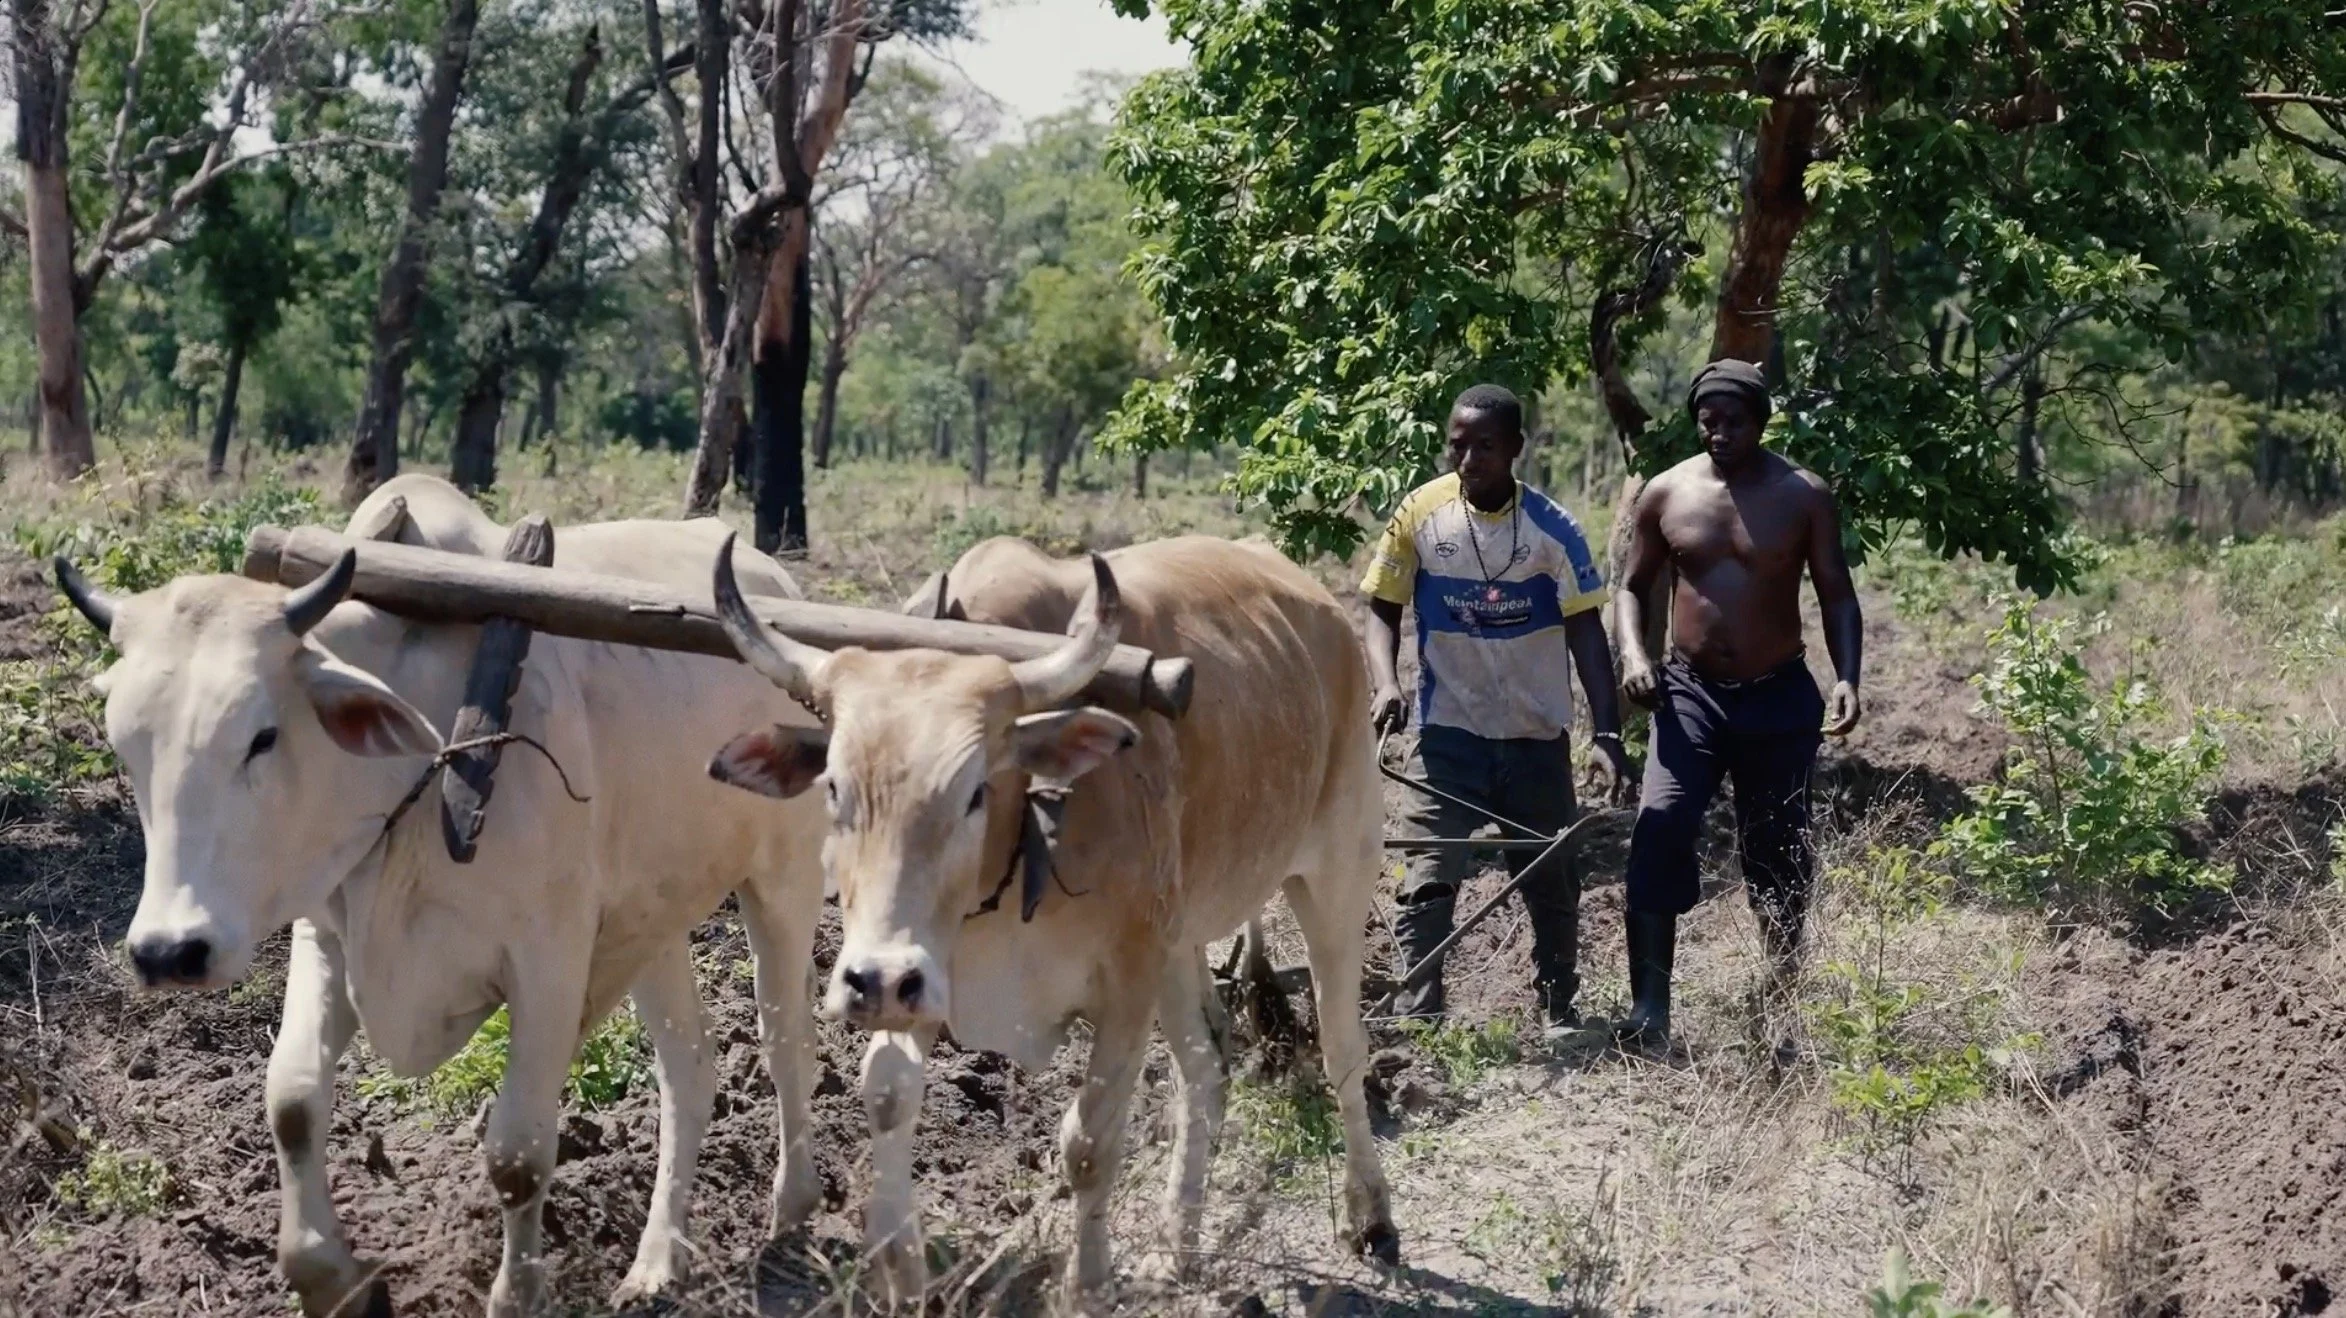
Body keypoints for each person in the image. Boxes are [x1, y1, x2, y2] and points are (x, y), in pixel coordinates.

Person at [1363, 383, 1633, 1038]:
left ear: (1515, 448)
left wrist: (1605, 731)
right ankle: (1416, 1018)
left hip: (1534, 737)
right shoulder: (1419, 514)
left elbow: (1586, 634)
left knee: (1552, 877)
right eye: (1457, 443)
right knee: (1427, 873)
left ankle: (1558, 1009)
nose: (1468, 458)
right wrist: (1386, 683)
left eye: (1485, 446)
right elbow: (1381, 608)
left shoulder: (1553, 530)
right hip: (1447, 735)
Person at [1611, 358, 1864, 1048]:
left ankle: (1783, 987)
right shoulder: (1667, 493)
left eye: (1734, 422)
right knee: (1660, 823)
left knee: (1777, 845)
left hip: (1777, 696)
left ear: (1761, 422)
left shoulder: (1802, 494)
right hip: (1689, 693)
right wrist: (1635, 655)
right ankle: (1650, 1006)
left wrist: (1848, 675)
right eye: (1708, 420)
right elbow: (1632, 587)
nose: (1719, 433)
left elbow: (1836, 591)